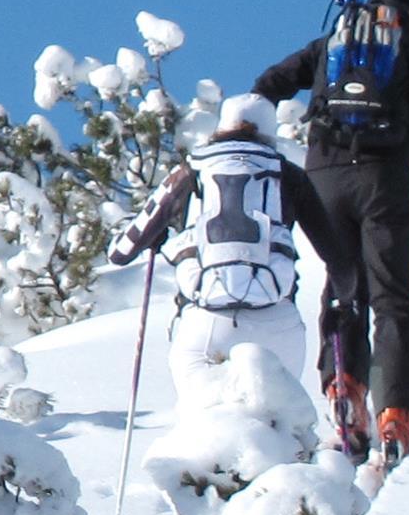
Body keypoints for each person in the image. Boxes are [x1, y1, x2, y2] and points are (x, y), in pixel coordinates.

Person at [251, 0, 409, 466]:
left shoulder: (332, 43)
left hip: (323, 178)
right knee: (393, 298)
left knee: (343, 288)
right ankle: (396, 416)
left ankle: (344, 385)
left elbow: (267, 86)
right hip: (386, 180)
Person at [114, 93, 329, 413]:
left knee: (205, 428)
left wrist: (162, 232)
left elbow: (121, 252)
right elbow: (335, 251)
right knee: (282, 429)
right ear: (269, 134)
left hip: (206, 324)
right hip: (279, 323)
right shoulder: (288, 175)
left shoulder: (189, 172)